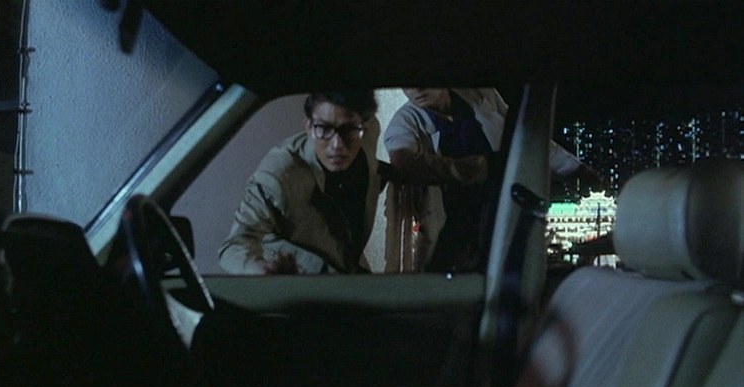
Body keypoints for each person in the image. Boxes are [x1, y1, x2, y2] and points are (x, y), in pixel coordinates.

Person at [383, 87, 601, 272]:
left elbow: (523, 137)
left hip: (505, 208)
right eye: (407, 84)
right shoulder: (404, 122)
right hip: (457, 221)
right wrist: (483, 167)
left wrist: (576, 169)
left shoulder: (480, 94)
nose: (416, 90)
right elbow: (406, 162)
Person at [219, 90, 381, 274]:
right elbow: (233, 246)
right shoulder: (279, 173)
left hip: (351, 271)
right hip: (302, 278)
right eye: (324, 128)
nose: (337, 145)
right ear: (309, 127)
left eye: (348, 130)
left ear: (365, 127)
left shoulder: (368, 136)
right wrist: (265, 272)